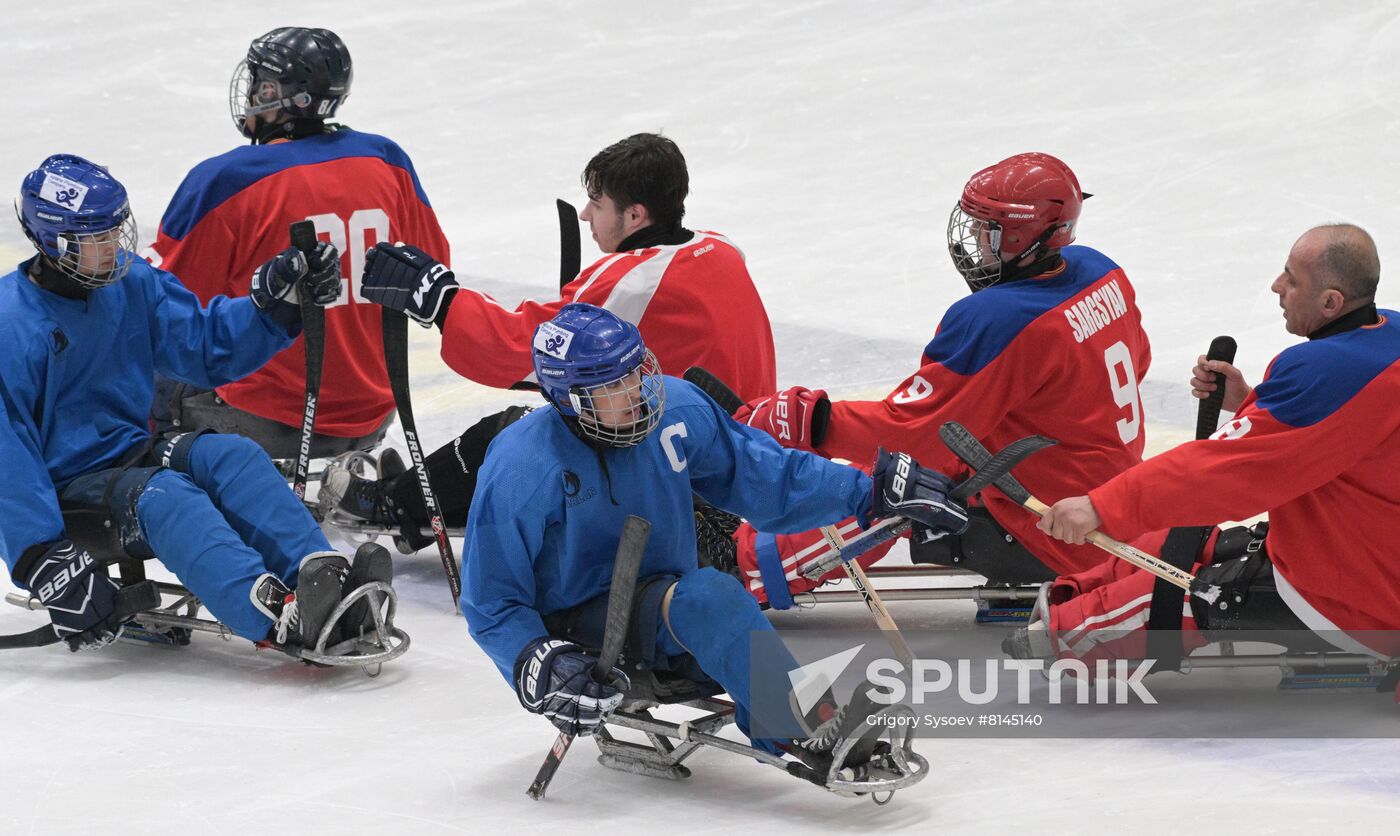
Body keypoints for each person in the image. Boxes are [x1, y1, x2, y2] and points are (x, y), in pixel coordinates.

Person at [459, 303, 967, 762]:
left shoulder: (675, 409)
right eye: (609, 387)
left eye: (636, 372)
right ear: (568, 400)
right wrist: (539, 663)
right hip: (580, 630)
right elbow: (490, 600)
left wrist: (866, 492)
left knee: (716, 587)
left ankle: (781, 700)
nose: (634, 393)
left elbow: (769, 478)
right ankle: (802, 725)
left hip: (662, 599)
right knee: (711, 594)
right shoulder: (521, 467)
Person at [720, 153, 1153, 608]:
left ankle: (742, 562)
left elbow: (910, 435)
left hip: (1046, 525)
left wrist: (812, 420)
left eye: (988, 232)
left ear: (1025, 236)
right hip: (1108, 503)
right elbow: (1136, 363)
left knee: (890, 482)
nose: (973, 244)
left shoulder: (998, 318)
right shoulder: (1102, 272)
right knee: (939, 461)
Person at [0, 154, 390, 655]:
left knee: (236, 457)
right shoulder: (10, 325)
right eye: (95, 238)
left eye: (115, 230)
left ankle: (328, 582)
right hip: (67, 487)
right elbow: (7, 459)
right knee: (169, 498)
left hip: (133, 451)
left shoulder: (132, 282)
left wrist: (272, 306)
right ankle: (281, 617)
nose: (114, 246)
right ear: (53, 242)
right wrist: (43, 556)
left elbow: (204, 344)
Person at [318, 133, 776, 546]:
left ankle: (397, 504)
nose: (585, 214)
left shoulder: (633, 279)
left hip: (685, 485)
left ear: (635, 214)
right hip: (742, 459)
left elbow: (521, 349)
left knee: (518, 433)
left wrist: (441, 300)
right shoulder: (719, 248)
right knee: (580, 419)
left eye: (597, 202)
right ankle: (431, 495)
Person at [1030, 223, 1400, 664]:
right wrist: (1250, 403)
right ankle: (1072, 595)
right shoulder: (1387, 334)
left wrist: (1100, 506)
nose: (1277, 286)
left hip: (1365, 600)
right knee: (1169, 542)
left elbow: (1224, 473)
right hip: (1367, 548)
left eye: (1292, 278)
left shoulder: (1326, 369)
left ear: (1331, 302)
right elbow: (1341, 436)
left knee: (1143, 605)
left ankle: (1061, 636)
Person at [145, 26, 449, 453]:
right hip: (373, 417)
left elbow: (160, 306)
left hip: (265, 423)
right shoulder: (387, 160)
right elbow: (431, 267)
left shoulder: (225, 181)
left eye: (257, 83)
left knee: (149, 353)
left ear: (273, 92)